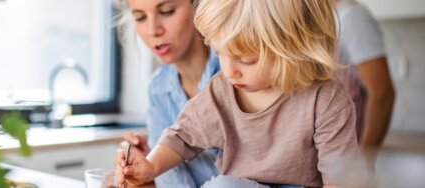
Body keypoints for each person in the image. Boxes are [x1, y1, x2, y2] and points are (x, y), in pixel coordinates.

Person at [116, 0, 366, 187]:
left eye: (246, 59)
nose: (228, 70)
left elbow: (341, 178)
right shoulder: (221, 88)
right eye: (220, 53)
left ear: (292, 48)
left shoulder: (326, 99)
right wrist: (151, 166)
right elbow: (181, 137)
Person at [115, 0, 220, 187]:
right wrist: (147, 163)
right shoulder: (158, 89)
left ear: (198, 6)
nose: (153, 30)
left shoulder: (237, 75)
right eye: (140, 17)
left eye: (167, 11)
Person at [335, 0, 395, 163]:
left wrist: (364, 159)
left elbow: (382, 93)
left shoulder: (352, 19)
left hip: (348, 158)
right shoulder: (324, 19)